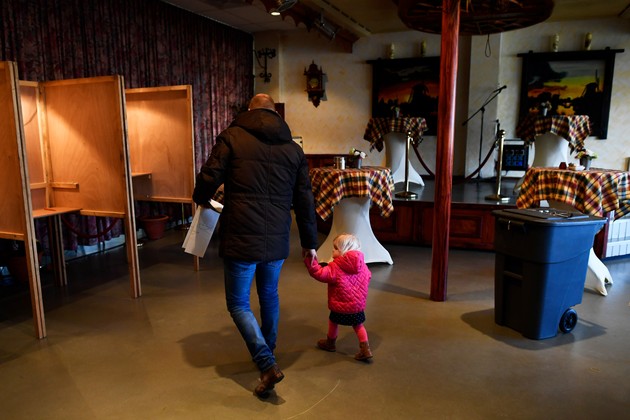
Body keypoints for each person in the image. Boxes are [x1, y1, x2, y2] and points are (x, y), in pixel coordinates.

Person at [192, 93, 318, 398]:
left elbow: (210, 176)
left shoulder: (232, 137)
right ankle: (268, 350)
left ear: (249, 110)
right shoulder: (294, 150)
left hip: (241, 235)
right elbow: (304, 200)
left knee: (238, 303)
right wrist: (309, 242)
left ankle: (266, 362)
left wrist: (200, 198)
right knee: (269, 294)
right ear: (276, 114)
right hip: (277, 237)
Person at [304, 233, 373, 362]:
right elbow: (368, 276)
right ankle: (366, 349)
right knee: (358, 325)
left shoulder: (335, 267)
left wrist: (311, 262)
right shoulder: (363, 265)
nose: (332, 250)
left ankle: (330, 343)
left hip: (340, 305)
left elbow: (319, 273)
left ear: (344, 251)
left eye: (336, 248)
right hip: (357, 305)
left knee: (333, 322)